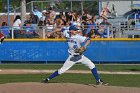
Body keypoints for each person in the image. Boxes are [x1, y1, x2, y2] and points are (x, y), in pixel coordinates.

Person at [42, 25, 108, 85]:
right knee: (62, 70)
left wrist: (84, 46)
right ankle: (47, 79)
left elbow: (88, 40)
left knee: (92, 65)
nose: (76, 31)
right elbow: (61, 29)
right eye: (75, 30)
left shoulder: (78, 37)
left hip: (80, 56)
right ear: (71, 31)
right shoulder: (67, 33)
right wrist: (51, 32)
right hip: (72, 58)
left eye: (77, 30)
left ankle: (98, 81)